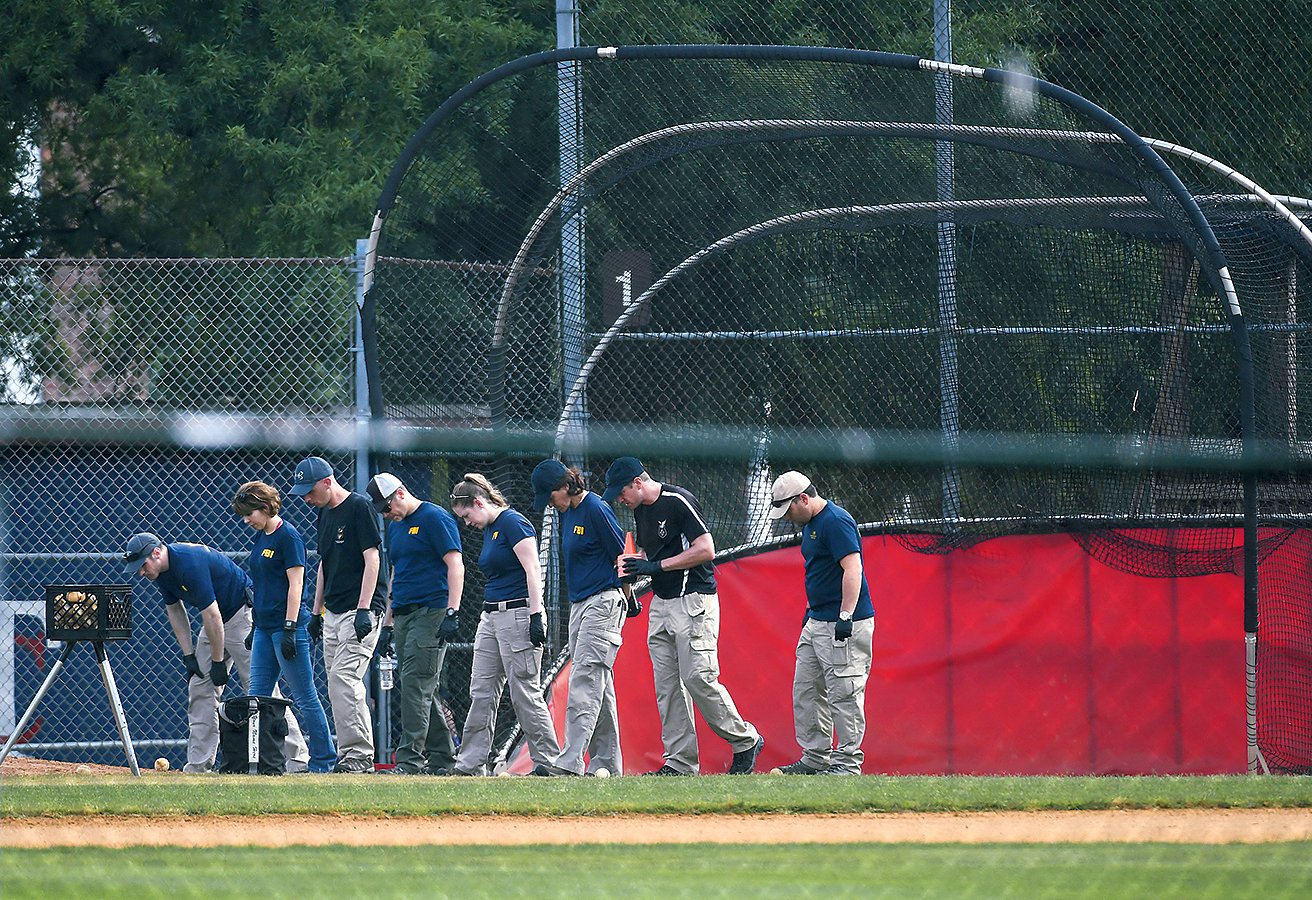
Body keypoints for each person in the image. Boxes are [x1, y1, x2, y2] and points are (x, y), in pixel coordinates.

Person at [603, 456, 764, 775]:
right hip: (661, 605)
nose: (620, 500)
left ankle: (745, 739)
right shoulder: (640, 510)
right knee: (667, 687)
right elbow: (653, 552)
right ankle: (680, 762)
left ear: (638, 482)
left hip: (693, 602)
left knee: (698, 677)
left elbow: (706, 549)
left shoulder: (677, 500)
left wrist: (655, 567)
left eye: (621, 492)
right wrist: (637, 566)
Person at [123, 531, 308, 774]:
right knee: (200, 688)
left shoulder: (188, 563)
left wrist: (218, 661)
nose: (141, 572)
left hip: (241, 617)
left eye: (143, 565)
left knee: (261, 691)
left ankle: (298, 761)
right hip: (215, 625)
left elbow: (212, 615)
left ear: (156, 552)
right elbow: (175, 611)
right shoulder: (160, 572)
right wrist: (189, 655)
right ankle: (199, 766)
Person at [448, 473, 561, 775]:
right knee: (481, 689)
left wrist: (536, 617)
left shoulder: (513, 522)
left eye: (467, 515)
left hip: (518, 613)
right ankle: (470, 764)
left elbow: (533, 570)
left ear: (478, 502)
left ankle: (548, 762)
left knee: (524, 690)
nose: (467, 522)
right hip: (490, 616)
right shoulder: (490, 529)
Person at [767, 470, 876, 775]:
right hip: (816, 621)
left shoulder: (836, 521)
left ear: (803, 498)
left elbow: (852, 568)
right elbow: (819, 573)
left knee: (845, 691)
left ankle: (847, 764)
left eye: (788, 510)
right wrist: (809, 612)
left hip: (841, 622)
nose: (787, 517)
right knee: (806, 690)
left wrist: (846, 615)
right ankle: (815, 758)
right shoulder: (811, 524)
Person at [530, 459, 627, 777]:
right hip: (580, 605)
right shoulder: (568, 512)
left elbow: (622, 556)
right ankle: (608, 766)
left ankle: (569, 763)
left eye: (550, 497)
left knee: (584, 680)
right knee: (600, 684)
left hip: (603, 601)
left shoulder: (596, 509)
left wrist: (627, 595)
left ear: (565, 487)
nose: (550, 504)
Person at [232, 481, 337, 774]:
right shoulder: (261, 537)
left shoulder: (288, 536)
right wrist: (256, 627)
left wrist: (291, 627)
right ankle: (262, 762)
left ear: (265, 508)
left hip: (287, 628)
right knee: (257, 698)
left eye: (249, 513)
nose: (246, 520)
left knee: (305, 697)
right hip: (264, 629)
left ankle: (323, 761)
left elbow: (296, 584)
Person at [290, 455, 385, 774]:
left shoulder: (359, 507)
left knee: (346, 678)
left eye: (309, 490)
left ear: (328, 482)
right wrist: (316, 612)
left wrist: (364, 609)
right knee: (335, 684)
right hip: (332, 611)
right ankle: (350, 756)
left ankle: (359, 757)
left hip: (360, 611)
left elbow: (373, 560)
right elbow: (324, 565)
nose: (306, 498)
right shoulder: (324, 515)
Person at [366, 472, 462, 775]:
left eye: (386, 506)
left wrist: (452, 611)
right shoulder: (396, 529)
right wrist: (390, 622)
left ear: (400, 493)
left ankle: (409, 762)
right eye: (381, 510)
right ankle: (444, 759)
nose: (385, 514)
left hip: (431, 611)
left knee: (415, 687)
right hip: (405, 614)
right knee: (420, 688)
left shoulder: (435, 518)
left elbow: (455, 564)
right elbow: (398, 573)